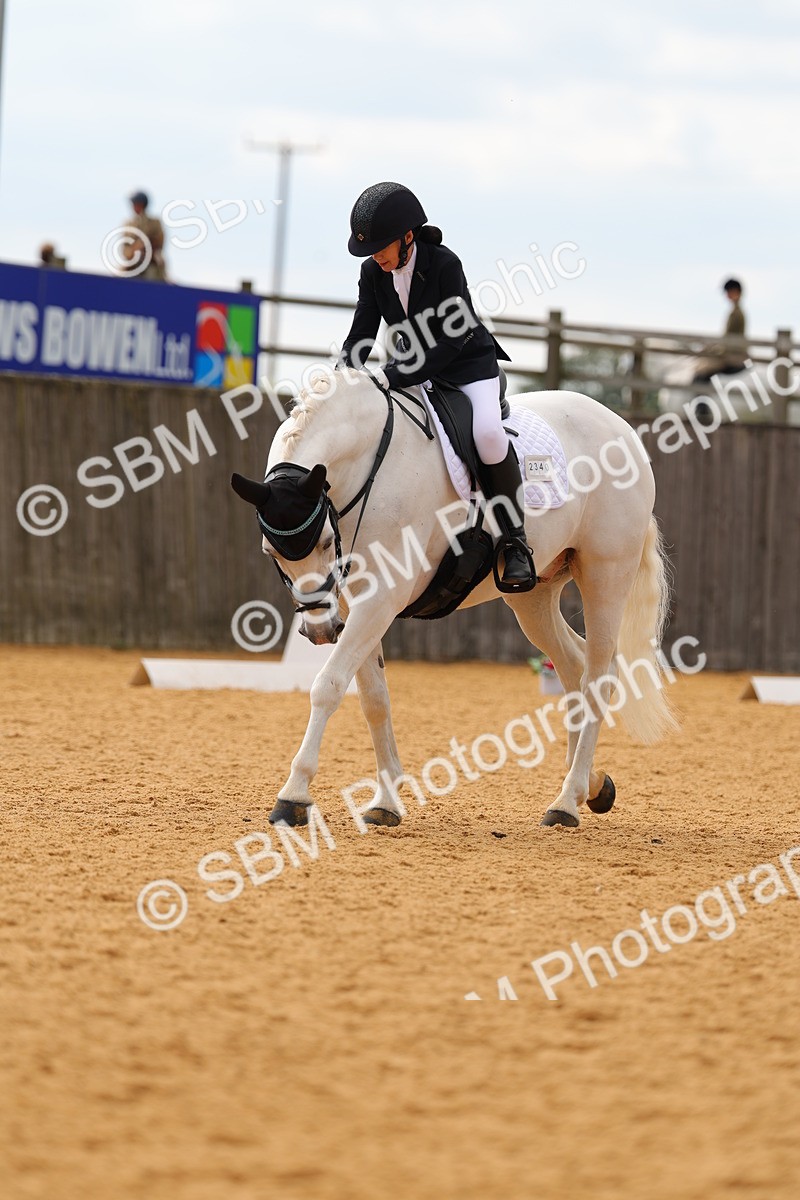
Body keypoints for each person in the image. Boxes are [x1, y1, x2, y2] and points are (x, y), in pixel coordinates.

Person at [338, 181, 535, 591]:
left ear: (407, 237)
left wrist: (394, 375)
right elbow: (362, 331)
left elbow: (450, 340)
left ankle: (516, 543)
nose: (376, 257)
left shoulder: (445, 264)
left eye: (381, 248)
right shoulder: (373, 272)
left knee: (488, 435)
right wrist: (344, 378)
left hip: (467, 367)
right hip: (414, 369)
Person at [693, 278, 747, 382]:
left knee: (702, 370)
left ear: (735, 291)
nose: (726, 295)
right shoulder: (735, 311)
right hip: (731, 351)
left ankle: (700, 397)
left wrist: (716, 349)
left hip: (733, 355)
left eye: (728, 292)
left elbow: (729, 339)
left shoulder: (736, 313)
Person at [122, 190, 167, 281]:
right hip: (133, 263)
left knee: (157, 278)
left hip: (152, 262)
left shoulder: (154, 222)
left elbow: (159, 242)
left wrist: (147, 246)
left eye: (137, 204)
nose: (135, 207)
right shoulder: (129, 224)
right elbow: (125, 248)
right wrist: (135, 249)